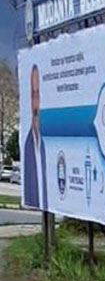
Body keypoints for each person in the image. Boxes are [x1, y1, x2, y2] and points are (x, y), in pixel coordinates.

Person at [24, 64, 47, 209]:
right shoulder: (28, 144)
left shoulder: (49, 140)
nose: (35, 101)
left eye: (37, 94)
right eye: (33, 94)